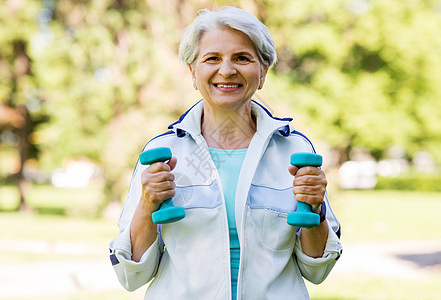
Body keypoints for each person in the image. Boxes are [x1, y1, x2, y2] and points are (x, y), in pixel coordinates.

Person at [109, 6, 342, 300]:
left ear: (263, 72)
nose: (227, 70)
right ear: (194, 72)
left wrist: (316, 207)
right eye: (212, 58)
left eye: (242, 58)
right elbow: (131, 275)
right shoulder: (160, 153)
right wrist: (146, 205)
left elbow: (317, 270)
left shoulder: (295, 151)